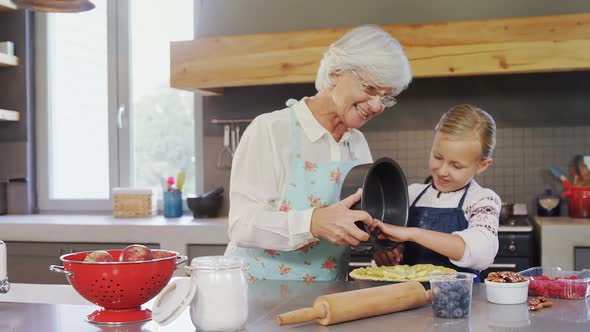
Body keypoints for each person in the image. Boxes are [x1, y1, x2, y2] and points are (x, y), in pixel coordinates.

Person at [225, 25, 413, 282]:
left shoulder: (357, 144)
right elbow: (241, 226)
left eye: (386, 97)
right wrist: (312, 223)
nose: (377, 106)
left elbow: (355, 223)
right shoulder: (271, 129)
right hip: (256, 292)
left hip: (327, 298)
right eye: (370, 89)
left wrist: (377, 248)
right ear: (336, 73)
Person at [373, 104, 500, 281]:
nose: (442, 171)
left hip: (460, 303)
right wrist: (387, 254)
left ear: (482, 165)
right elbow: (387, 252)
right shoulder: (411, 194)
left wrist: (412, 233)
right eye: (437, 157)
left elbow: (482, 253)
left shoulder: (481, 200)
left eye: (456, 166)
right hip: (408, 300)